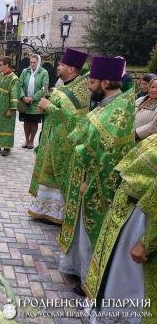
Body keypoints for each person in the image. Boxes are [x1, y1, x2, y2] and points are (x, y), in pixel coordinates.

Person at [59, 56, 135, 293]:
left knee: (93, 232)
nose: (88, 86)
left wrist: (89, 181)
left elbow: (110, 154)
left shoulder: (121, 109)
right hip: (84, 176)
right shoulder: (108, 103)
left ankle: (90, 281)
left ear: (105, 82)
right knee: (81, 228)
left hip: (97, 183)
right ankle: (77, 268)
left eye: (91, 82)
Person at [83, 134, 157, 323]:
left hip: (143, 221)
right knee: (116, 274)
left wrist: (147, 241)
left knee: (130, 280)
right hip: (128, 214)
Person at [28, 48, 89, 224]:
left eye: (61, 64)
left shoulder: (78, 91)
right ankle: (44, 209)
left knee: (56, 173)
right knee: (47, 171)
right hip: (51, 136)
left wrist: (49, 107)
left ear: (71, 69)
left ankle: (56, 213)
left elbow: (76, 120)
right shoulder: (66, 85)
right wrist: (46, 108)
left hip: (64, 140)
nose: (58, 67)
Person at [18, 54, 49, 149]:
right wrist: (23, 97)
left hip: (36, 103)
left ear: (38, 62)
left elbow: (44, 89)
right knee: (26, 122)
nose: (32, 64)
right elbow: (20, 85)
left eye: (34, 62)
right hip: (25, 101)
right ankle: (27, 140)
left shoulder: (44, 72)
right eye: (31, 62)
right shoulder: (25, 71)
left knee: (34, 122)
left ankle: (32, 141)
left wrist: (33, 98)